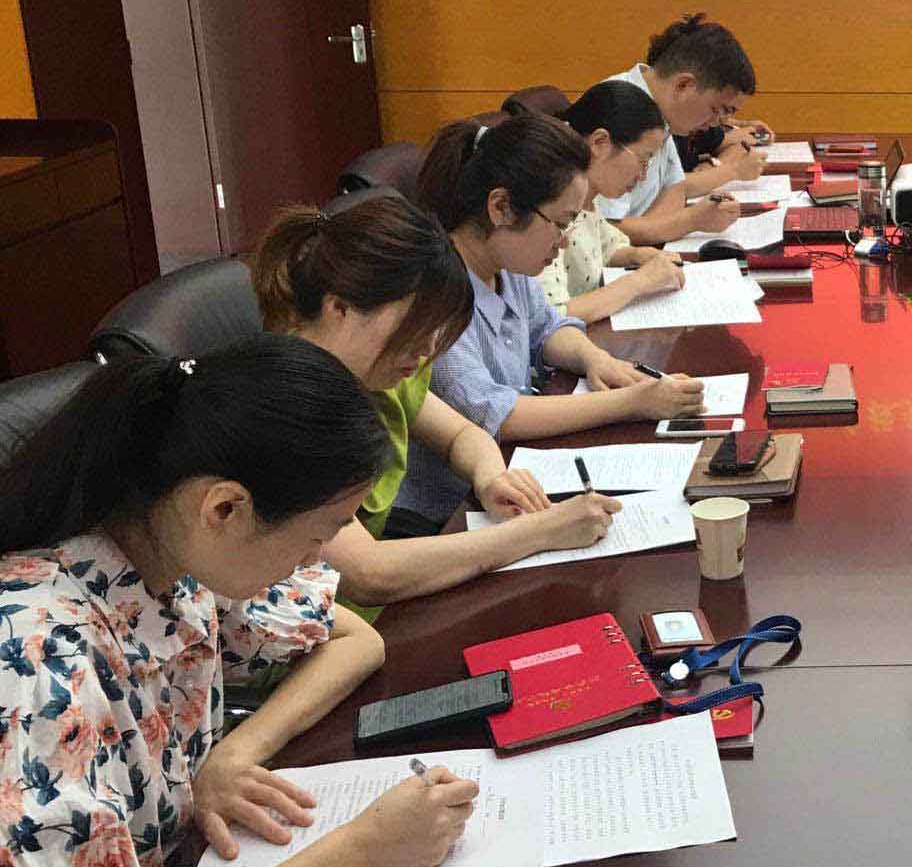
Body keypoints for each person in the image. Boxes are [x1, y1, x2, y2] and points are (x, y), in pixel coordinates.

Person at [0, 337, 479, 867]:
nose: (316, 560)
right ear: (226, 508)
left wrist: (232, 756)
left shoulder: (176, 563)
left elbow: (356, 640)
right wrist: (364, 850)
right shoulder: (39, 662)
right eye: (316, 535)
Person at [253, 196, 625, 612]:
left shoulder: (376, 371)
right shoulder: (284, 405)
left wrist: (490, 477)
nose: (427, 349)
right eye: (414, 327)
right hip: (338, 621)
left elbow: (461, 435)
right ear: (340, 308)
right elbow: (369, 574)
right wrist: (542, 531)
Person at [396, 114, 704, 533]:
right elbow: (498, 415)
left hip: (507, 479)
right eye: (559, 223)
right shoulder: (435, 292)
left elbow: (548, 328)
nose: (563, 241)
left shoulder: (506, 265)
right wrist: (633, 402)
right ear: (501, 208)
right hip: (441, 516)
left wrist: (595, 359)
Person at [596, 13, 766, 245]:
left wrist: (656, 227)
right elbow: (604, 232)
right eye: (716, 109)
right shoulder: (616, 110)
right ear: (684, 85)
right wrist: (689, 220)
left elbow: (677, 190)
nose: (716, 123)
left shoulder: (661, 109)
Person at [532, 79, 687, 324]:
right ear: (599, 143)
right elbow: (551, 315)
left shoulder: (587, 197)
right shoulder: (549, 204)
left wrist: (639, 255)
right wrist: (640, 282)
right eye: (643, 160)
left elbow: (606, 247)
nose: (643, 176)